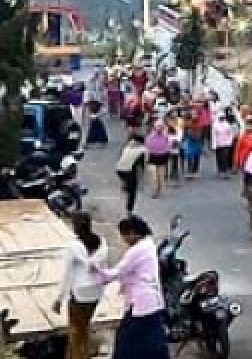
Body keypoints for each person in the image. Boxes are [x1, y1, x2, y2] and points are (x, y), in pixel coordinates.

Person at [90, 215, 168, 359]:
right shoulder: (148, 245)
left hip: (142, 305)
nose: (124, 240)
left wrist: (95, 268)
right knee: (151, 339)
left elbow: (115, 273)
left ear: (132, 233)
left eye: (124, 236)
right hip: (151, 303)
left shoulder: (137, 251)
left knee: (127, 343)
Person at [53, 212, 108, 359]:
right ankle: (82, 352)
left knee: (75, 331)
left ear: (75, 227)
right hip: (96, 292)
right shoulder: (102, 242)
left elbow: (67, 274)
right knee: (85, 325)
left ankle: (78, 355)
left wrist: (59, 298)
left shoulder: (73, 246)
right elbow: (103, 266)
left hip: (80, 294)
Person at [114, 133, 148, 214]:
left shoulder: (126, 146)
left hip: (119, 169)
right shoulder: (142, 150)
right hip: (129, 170)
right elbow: (142, 164)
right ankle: (129, 210)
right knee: (133, 191)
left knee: (127, 181)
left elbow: (120, 157)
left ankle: (126, 185)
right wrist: (143, 174)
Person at [144, 120, 171, 199]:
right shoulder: (150, 136)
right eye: (158, 126)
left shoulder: (165, 136)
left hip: (162, 157)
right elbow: (147, 146)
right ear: (155, 127)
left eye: (161, 126)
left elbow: (169, 145)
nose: (159, 128)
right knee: (153, 176)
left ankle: (159, 189)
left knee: (160, 175)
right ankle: (154, 191)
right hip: (152, 157)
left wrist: (165, 150)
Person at [212, 110, 237, 178]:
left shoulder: (227, 125)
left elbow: (231, 134)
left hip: (226, 144)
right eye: (220, 117)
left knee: (225, 157)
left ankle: (225, 171)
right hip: (218, 144)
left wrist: (230, 142)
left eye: (223, 117)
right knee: (219, 157)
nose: (222, 118)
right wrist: (214, 145)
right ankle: (220, 170)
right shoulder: (215, 125)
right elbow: (214, 136)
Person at [182, 115, 204, 179]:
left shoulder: (192, 126)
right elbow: (200, 136)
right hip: (194, 143)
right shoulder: (197, 126)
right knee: (194, 157)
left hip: (193, 143)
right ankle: (193, 170)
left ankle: (192, 171)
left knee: (192, 157)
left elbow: (186, 135)